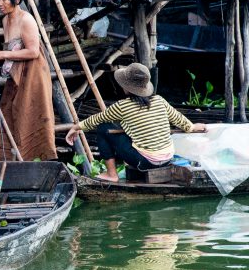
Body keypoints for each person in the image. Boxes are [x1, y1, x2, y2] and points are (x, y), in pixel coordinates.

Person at [65, 62, 207, 182]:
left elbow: (96, 120)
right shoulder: (159, 100)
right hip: (167, 158)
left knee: (103, 127)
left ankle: (111, 174)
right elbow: (180, 120)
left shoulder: (122, 106)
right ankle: (115, 171)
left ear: (126, 87)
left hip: (145, 162)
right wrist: (193, 127)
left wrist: (76, 127)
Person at [0, 0, 57, 161]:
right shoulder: (5, 20)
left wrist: (1, 55)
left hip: (33, 73)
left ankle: (41, 158)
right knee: (8, 113)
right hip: (15, 72)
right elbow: (11, 50)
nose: (0, 3)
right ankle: (11, 160)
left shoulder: (26, 20)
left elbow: (32, 51)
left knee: (31, 113)